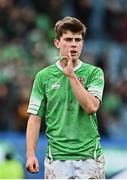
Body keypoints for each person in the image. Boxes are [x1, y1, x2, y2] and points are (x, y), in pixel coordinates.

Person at [26, 16, 105, 179]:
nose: (73, 44)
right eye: (68, 39)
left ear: (82, 44)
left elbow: (92, 107)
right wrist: (31, 154)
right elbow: (35, 118)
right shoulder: (44, 76)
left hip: (89, 158)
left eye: (78, 40)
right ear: (57, 43)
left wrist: (71, 76)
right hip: (56, 160)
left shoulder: (94, 73)